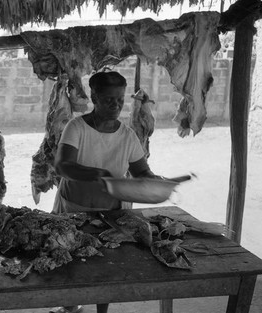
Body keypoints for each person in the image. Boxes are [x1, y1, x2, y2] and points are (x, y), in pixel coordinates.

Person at [51, 71, 161, 313]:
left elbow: (142, 171)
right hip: (74, 209)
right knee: (69, 259)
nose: (116, 105)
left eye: (120, 99)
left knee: (107, 264)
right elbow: (62, 166)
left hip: (112, 213)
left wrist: (154, 181)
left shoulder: (127, 135)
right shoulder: (76, 128)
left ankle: (102, 310)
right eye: (109, 99)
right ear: (94, 96)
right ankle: (70, 306)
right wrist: (97, 174)